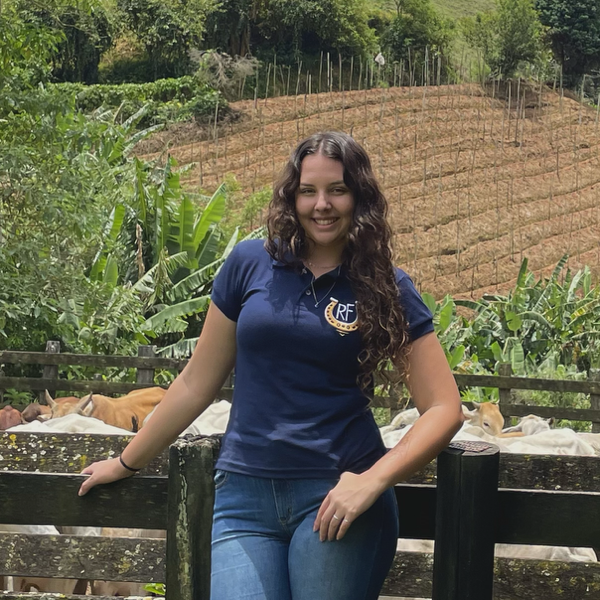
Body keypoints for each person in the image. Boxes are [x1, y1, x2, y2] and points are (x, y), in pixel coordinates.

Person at [78, 131, 463, 600]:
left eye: (337, 190)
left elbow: (444, 408)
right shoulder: (249, 264)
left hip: (338, 498)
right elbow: (196, 383)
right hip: (243, 501)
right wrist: (126, 462)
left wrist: (373, 480)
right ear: (291, 197)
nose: (322, 204)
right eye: (308, 191)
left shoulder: (387, 287)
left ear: (359, 197)